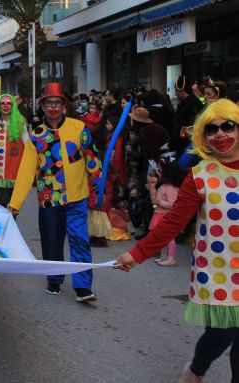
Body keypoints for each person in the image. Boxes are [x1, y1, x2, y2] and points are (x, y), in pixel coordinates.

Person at [115, 98, 239, 383]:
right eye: (212, 129)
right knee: (222, 334)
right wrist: (136, 254)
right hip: (219, 271)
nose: (220, 134)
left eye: (228, 126)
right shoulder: (200, 176)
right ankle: (196, 370)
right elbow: (173, 222)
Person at [8, 83, 102, 302]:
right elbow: (26, 172)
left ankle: (83, 287)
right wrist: (15, 205)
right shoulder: (36, 136)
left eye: (57, 102)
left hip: (77, 197)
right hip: (49, 199)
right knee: (52, 241)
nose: (53, 107)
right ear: (42, 106)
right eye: (49, 103)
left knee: (80, 240)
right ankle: (54, 279)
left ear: (64, 105)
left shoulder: (79, 128)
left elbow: (92, 157)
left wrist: (99, 183)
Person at [146, 161, 184, 267]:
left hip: (166, 215)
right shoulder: (164, 186)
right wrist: (152, 188)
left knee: (168, 238)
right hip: (159, 213)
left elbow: (173, 204)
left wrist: (159, 202)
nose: (159, 173)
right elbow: (154, 199)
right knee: (162, 237)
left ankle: (171, 258)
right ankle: (165, 256)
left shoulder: (171, 188)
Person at [170, 75, 204, 157]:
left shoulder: (193, 104)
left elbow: (189, 126)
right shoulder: (186, 103)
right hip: (181, 146)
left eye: (176, 90)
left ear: (182, 90)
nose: (175, 93)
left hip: (186, 147)